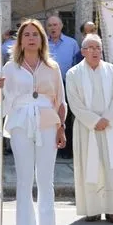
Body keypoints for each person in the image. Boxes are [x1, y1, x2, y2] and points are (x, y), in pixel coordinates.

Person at [0, 19, 65, 225]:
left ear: (42, 39)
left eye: (36, 34)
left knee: (46, 181)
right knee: (24, 180)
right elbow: (1, 106)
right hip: (20, 121)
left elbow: (60, 102)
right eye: (27, 34)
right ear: (20, 40)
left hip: (47, 120)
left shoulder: (53, 67)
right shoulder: (10, 68)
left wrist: (61, 127)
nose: (31, 38)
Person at [65, 34, 113, 224]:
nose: (94, 51)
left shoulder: (112, 71)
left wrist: (107, 119)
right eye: (90, 48)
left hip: (110, 126)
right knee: (89, 167)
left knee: (112, 167)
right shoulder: (73, 74)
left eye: (97, 48)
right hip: (86, 128)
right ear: (83, 51)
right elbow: (74, 103)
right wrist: (94, 121)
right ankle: (92, 208)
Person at [46, 15, 79, 160]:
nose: (53, 28)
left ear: (61, 26)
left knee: (66, 116)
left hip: (66, 84)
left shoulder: (72, 43)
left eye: (55, 25)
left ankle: (67, 150)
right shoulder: (42, 43)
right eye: (50, 25)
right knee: (49, 117)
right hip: (47, 86)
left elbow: (77, 64)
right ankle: (50, 147)